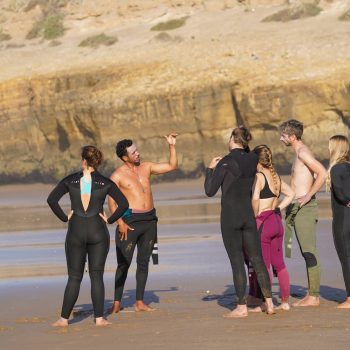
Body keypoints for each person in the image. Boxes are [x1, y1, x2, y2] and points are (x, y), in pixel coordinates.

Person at [47, 145, 129, 326]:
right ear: (97, 162)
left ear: (83, 160)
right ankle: (99, 319)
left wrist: (64, 217)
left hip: (75, 231)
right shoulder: (106, 182)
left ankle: (63, 319)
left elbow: (51, 200)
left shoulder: (70, 180)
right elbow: (123, 203)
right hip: (97, 231)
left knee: (74, 277)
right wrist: (110, 220)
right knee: (96, 276)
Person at [204, 126, 274, 318]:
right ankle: (269, 303)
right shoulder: (253, 158)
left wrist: (210, 168)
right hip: (248, 216)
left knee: (237, 262)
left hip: (230, 216)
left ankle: (241, 307)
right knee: (257, 260)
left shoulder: (225, 162)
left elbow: (209, 190)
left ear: (233, 139)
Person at [109, 134, 178, 313]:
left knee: (143, 262)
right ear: (125, 157)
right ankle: (116, 302)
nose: (138, 154)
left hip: (149, 220)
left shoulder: (146, 167)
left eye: (137, 150)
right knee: (124, 263)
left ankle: (139, 302)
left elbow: (172, 166)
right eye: (133, 152)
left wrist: (171, 146)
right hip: (130, 221)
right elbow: (111, 202)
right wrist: (119, 222)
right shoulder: (117, 175)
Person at [279, 119, 326, 307]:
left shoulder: (303, 152)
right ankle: (311, 293)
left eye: (283, 135)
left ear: (292, 136)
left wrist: (308, 195)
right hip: (297, 208)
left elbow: (322, 173)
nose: (281, 138)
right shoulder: (299, 153)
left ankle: (314, 296)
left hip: (305, 208)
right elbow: (313, 176)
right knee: (305, 251)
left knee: (309, 251)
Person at [248, 145, 294, 311]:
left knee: (264, 265)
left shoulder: (260, 176)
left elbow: (255, 199)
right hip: (276, 221)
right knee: (279, 264)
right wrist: (279, 208)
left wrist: (254, 216)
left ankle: (266, 303)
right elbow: (291, 194)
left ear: (257, 160)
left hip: (264, 222)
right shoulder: (275, 177)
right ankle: (285, 302)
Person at [328, 135, 350, 308]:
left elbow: (341, 195)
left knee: (346, 257)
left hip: (343, 218)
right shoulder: (348, 166)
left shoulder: (336, 169)